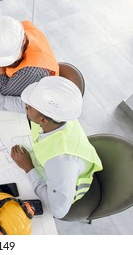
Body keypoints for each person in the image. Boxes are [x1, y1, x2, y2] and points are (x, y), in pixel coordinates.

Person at [10, 76, 102, 219]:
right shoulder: (59, 118)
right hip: (64, 171)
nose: (25, 105)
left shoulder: (60, 161)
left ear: (43, 120)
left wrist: (28, 167)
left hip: (67, 187)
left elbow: (58, 211)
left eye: (29, 106)